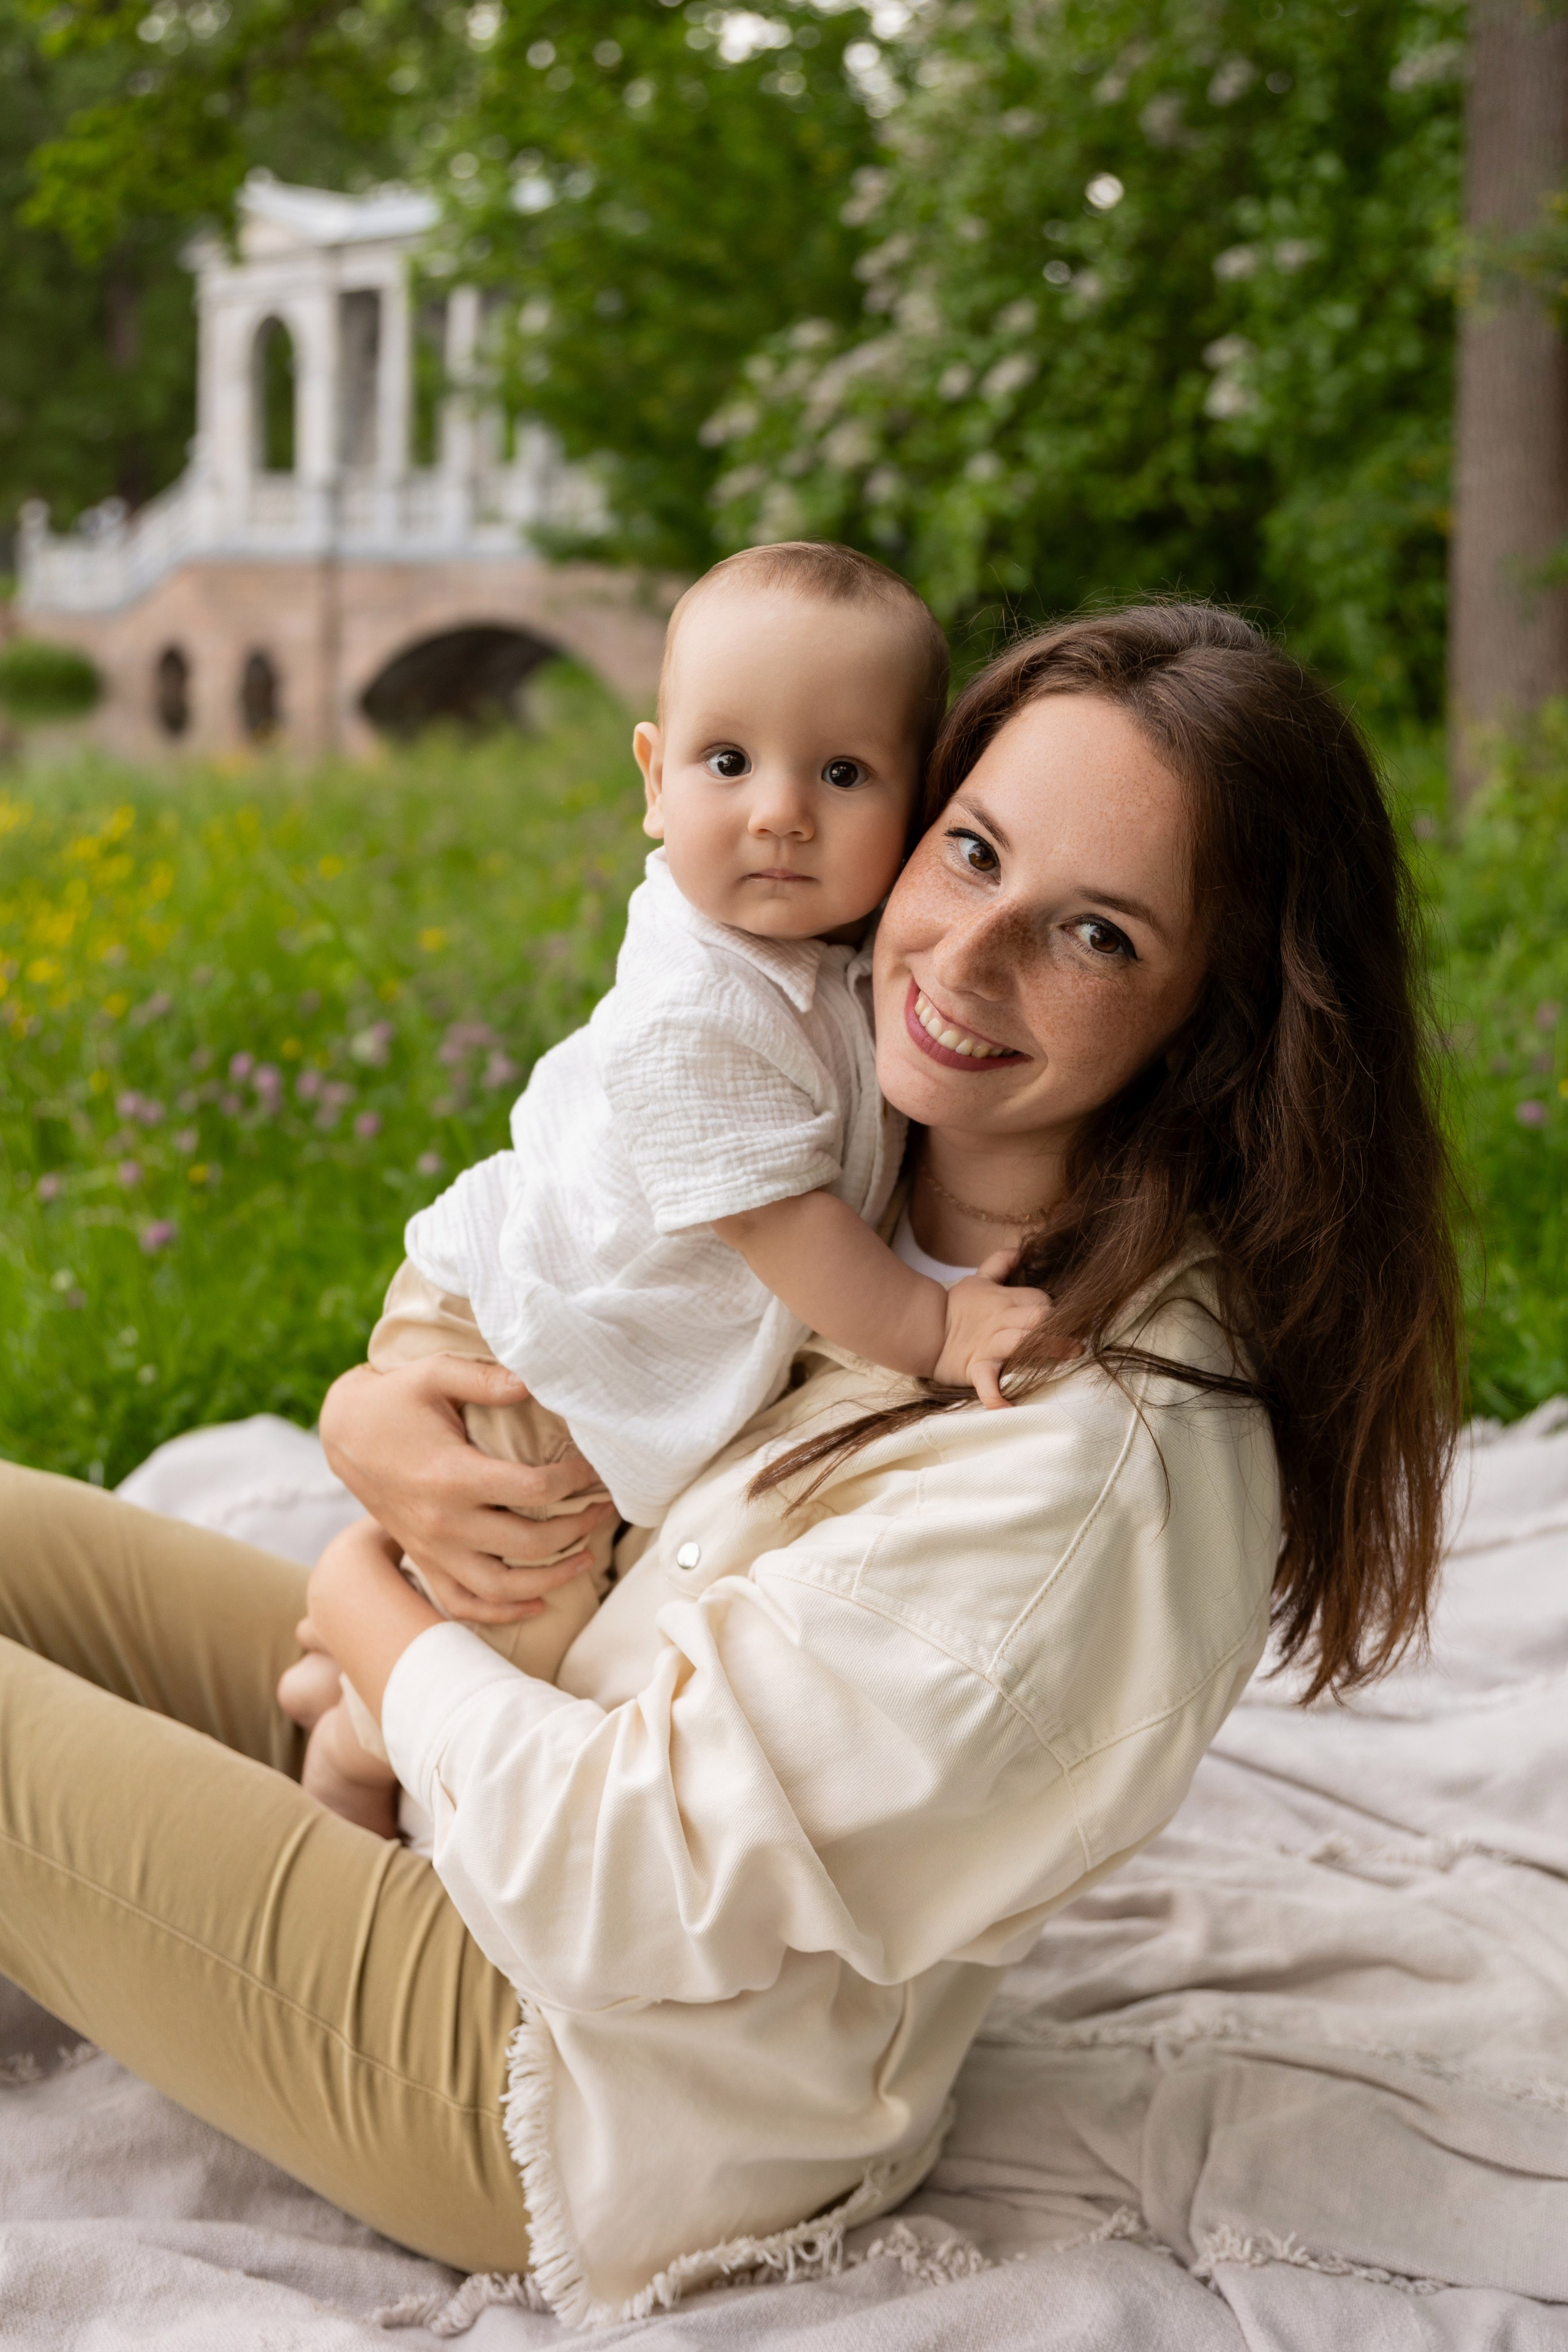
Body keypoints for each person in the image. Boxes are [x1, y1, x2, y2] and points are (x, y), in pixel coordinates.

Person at [0, 604, 1461, 2328]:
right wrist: (375, 1417)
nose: (966, 959)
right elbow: (571, 1279)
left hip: (557, 2066)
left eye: (1092, 934)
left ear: (1221, 1020)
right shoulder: (875, 1145)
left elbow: (623, 1886)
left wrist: (358, 1599)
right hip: (489, 1760)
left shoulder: (1097, 1464)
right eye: (971, 850)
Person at [290, 539, 1055, 1838]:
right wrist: (934, 1328)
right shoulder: (693, 1003)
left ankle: (331, 1660)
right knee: (517, 1611)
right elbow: (779, 1220)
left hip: (562, 1325)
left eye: (843, 773)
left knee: (494, 1572)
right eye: (726, 763)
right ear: (652, 780)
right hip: (529, 1347)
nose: (779, 811)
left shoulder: (812, 955)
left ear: (916, 805)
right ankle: (358, 1743)